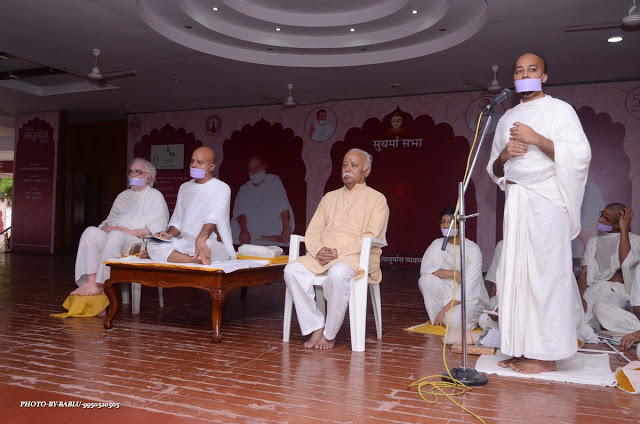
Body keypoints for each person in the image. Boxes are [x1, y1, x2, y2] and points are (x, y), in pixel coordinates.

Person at [486, 52, 592, 374]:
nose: (525, 75)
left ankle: (547, 355)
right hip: (516, 200)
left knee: (546, 276)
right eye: (519, 71)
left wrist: (536, 139)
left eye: (532, 70)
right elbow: (495, 170)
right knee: (516, 277)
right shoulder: (507, 117)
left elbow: (580, 156)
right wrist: (504, 155)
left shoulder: (560, 110)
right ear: (514, 79)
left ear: (544, 77)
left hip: (547, 201)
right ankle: (521, 348)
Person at [283, 148, 389, 349]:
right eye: (344, 165)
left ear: (366, 171)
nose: (347, 169)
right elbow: (313, 231)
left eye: (354, 165)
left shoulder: (377, 199)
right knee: (292, 270)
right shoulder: (329, 198)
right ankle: (316, 326)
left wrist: (339, 252)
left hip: (354, 256)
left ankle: (330, 333)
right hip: (323, 256)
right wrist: (318, 249)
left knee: (338, 273)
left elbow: (372, 235)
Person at [72, 158, 169, 296]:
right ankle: (91, 281)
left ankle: (101, 284)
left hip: (136, 241)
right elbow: (109, 219)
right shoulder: (122, 196)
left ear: (148, 177)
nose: (133, 174)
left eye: (138, 172)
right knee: (90, 231)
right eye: (131, 172)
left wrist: (132, 232)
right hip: (114, 235)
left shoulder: (155, 195)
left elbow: (159, 226)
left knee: (115, 235)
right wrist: (105, 228)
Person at [146, 147, 236, 265]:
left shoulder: (221, 188)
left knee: (208, 245)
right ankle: (193, 260)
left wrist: (200, 239)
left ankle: (182, 257)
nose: (193, 165)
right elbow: (177, 221)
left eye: (199, 162)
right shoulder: (184, 187)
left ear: (211, 167)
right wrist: (167, 235)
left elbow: (213, 218)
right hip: (186, 243)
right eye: (192, 161)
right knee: (153, 244)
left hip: (208, 241)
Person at [418, 207, 490, 329]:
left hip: (470, 300)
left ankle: (447, 317)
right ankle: (440, 319)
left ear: (461, 225)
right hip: (448, 295)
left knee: (453, 320)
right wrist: (454, 273)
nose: (446, 226)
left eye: (450, 222)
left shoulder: (472, 249)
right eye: (443, 222)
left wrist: (444, 311)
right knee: (425, 280)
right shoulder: (436, 244)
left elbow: (469, 288)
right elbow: (425, 271)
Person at [578, 203, 640, 334]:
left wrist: (624, 230)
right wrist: (580, 298)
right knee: (572, 316)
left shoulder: (636, 241)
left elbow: (626, 264)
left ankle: (637, 330)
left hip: (618, 293)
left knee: (600, 309)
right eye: (602, 214)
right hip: (594, 290)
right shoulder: (593, 241)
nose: (600, 220)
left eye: (606, 219)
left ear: (618, 224)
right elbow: (583, 274)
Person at [231, 156, 294, 246]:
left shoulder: (274, 180)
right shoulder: (244, 189)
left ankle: (261, 239)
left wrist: (286, 226)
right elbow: (241, 212)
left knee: (288, 232)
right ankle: (266, 239)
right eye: (250, 170)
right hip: (251, 229)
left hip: (273, 225)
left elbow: (283, 205)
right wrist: (244, 230)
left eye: (257, 167)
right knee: (234, 228)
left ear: (264, 166)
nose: (254, 172)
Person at [478, 240, 503, 331]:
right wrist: (492, 307)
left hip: (527, 303)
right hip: (503, 299)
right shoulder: (503, 245)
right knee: (484, 319)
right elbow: (495, 280)